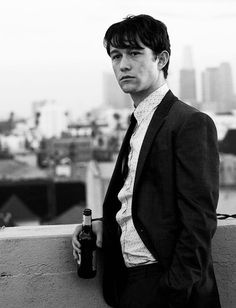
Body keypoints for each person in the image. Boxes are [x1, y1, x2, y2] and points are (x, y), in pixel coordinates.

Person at [72, 14, 221, 308]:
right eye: (116, 55)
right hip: (130, 282)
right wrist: (105, 224)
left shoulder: (190, 122)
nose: (123, 64)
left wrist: (173, 289)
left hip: (165, 285)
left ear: (162, 59)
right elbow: (139, 198)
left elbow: (199, 220)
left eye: (135, 53)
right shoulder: (139, 122)